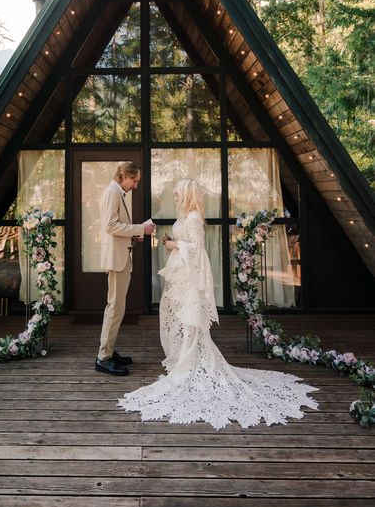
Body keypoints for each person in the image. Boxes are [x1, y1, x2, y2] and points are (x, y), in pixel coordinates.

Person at [118, 178, 318, 429]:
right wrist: (174, 243)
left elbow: (198, 249)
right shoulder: (184, 217)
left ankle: (191, 361)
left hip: (191, 277)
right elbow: (186, 245)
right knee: (177, 316)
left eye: (179, 193)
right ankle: (182, 356)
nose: (176, 196)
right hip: (179, 274)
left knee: (190, 319)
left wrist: (174, 244)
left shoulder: (193, 218)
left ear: (188, 194)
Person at [96, 162, 154, 376]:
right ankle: (103, 357)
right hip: (116, 260)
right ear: (123, 175)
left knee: (117, 308)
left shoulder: (116, 192)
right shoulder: (112, 192)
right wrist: (141, 228)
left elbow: (117, 228)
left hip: (120, 256)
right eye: (134, 180)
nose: (136, 185)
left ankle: (108, 351)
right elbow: (110, 226)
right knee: (114, 309)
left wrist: (135, 235)